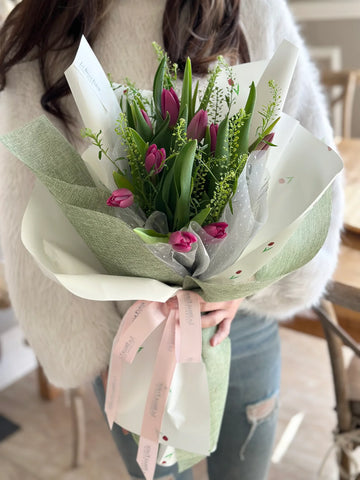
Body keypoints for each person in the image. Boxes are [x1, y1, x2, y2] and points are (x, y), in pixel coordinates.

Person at [0, 1, 343, 479]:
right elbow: (26, 193)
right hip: (130, 333)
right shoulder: (46, 23)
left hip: (237, 326)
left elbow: (306, 141)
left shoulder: (249, 7)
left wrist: (251, 284)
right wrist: (87, 341)